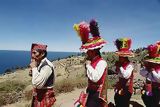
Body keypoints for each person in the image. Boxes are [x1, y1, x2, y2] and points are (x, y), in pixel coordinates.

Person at [73, 19, 108, 107]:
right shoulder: (93, 62)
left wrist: (88, 65)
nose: (86, 52)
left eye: (88, 51)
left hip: (97, 94)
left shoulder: (101, 63)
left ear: (93, 51)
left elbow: (95, 78)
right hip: (91, 92)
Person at [113, 38, 134, 107]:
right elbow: (119, 74)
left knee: (124, 103)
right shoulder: (121, 64)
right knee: (117, 100)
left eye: (120, 56)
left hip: (127, 89)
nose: (119, 57)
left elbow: (126, 76)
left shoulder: (130, 65)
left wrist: (120, 67)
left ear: (125, 57)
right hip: (120, 87)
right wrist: (117, 68)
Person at [140, 41, 160, 107]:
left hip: (156, 89)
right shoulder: (148, 67)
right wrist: (148, 70)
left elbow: (159, 79)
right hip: (148, 87)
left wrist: (153, 71)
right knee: (145, 98)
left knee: (154, 102)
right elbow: (141, 73)